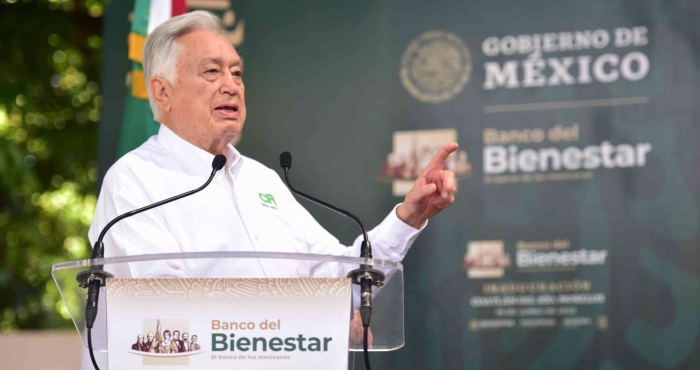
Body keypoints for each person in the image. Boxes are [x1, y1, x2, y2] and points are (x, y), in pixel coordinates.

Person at [81, 10, 456, 369]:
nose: (231, 85)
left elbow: (339, 279)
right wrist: (312, 322)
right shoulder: (135, 179)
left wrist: (410, 216)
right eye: (211, 72)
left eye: (237, 73)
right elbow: (167, 315)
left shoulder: (261, 180)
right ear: (162, 92)